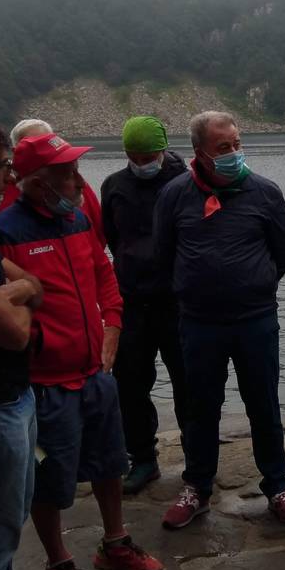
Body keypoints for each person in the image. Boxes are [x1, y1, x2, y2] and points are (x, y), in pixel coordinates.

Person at [0, 133, 165, 570]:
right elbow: (1, 308)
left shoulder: (78, 220)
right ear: (37, 183)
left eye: (76, 171)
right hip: (43, 386)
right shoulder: (4, 232)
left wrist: (112, 328)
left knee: (111, 464)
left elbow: (105, 275)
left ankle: (116, 543)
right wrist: (39, 345)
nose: (78, 182)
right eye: (67, 174)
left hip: (95, 374)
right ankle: (59, 562)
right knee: (47, 479)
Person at [154, 111, 285, 529]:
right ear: (199, 152)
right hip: (199, 322)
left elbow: (283, 251)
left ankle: (277, 486)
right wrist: (194, 287)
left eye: (237, 144)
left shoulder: (265, 192)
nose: (234, 153)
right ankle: (197, 487)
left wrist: (254, 282)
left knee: (264, 404)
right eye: (223, 147)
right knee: (201, 407)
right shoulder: (174, 195)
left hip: (255, 320)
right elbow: (163, 253)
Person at [101, 116, 189, 494]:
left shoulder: (185, 183)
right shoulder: (114, 186)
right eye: (134, 157)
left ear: (162, 149)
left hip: (176, 301)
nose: (141, 163)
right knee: (131, 383)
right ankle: (143, 458)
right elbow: (111, 237)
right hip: (132, 300)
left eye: (148, 156)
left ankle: (197, 455)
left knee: (188, 381)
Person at [0, 116, 42, 570]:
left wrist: (17, 293)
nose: (9, 176)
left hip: (14, 397)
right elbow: (14, 333)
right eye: (2, 165)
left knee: (11, 518)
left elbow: (33, 284)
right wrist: (23, 296)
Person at [2, 119, 106, 247]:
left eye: (47, 142)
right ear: (15, 152)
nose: (44, 149)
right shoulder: (1, 196)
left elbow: (99, 234)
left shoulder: (79, 190)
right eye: (31, 145)